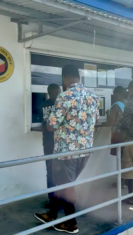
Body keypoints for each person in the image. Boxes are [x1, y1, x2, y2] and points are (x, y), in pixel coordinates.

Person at [35, 64, 99, 234]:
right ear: (78, 77)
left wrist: (49, 122)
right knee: (63, 184)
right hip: (85, 150)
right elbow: (95, 121)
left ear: (64, 79)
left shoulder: (64, 96)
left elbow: (51, 126)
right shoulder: (93, 96)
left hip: (66, 152)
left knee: (66, 185)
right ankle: (52, 214)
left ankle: (71, 223)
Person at [41, 84, 61, 202]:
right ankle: (60, 195)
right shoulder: (60, 104)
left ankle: (52, 197)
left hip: (48, 140)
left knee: (49, 168)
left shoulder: (43, 104)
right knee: (62, 169)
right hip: (59, 140)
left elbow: (42, 123)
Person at [104, 86, 127, 188]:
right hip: (126, 135)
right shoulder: (127, 104)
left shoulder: (115, 106)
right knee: (125, 159)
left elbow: (110, 122)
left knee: (120, 159)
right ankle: (124, 180)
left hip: (117, 135)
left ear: (117, 94)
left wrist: (107, 116)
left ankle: (120, 183)